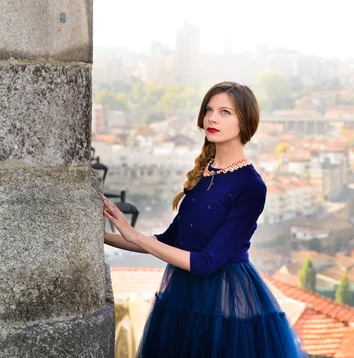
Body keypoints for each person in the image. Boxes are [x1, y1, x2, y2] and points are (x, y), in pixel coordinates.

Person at [103, 81, 307, 357]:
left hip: (224, 304)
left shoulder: (251, 186)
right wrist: (102, 235)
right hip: (181, 298)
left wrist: (135, 234)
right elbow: (167, 242)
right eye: (209, 110)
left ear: (245, 122)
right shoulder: (204, 173)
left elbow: (206, 263)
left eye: (225, 112)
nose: (212, 118)